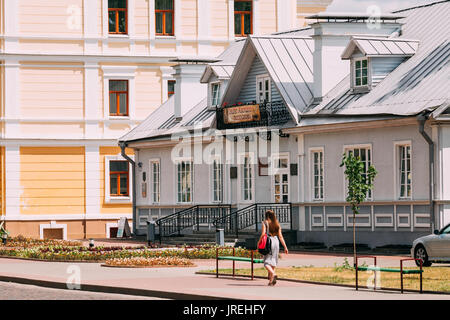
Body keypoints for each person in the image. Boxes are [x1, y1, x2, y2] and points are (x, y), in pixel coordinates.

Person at [258, 210, 288, 286]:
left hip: (269, 242)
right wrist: (285, 247)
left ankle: (273, 274)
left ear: (267, 216)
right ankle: (271, 281)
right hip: (276, 241)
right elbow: (280, 236)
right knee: (274, 260)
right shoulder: (277, 224)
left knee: (266, 263)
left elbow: (263, 234)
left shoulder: (265, 223)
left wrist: (259, 243)